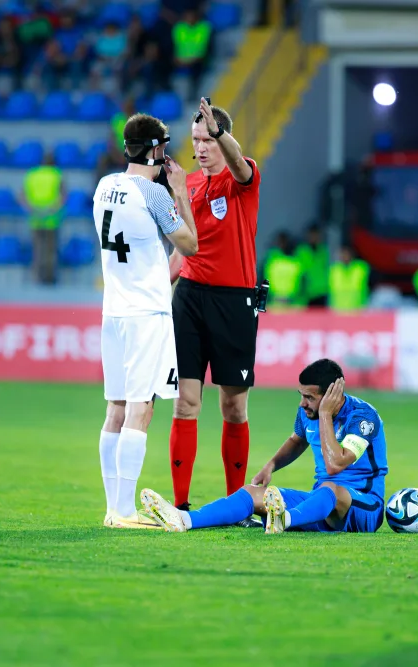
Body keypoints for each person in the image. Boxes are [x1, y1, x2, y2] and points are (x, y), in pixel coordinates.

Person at [140, 359, 387, 534]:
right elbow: (296, 440)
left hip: (364, 508)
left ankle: (284, 519)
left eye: (309, 397)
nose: (302, 404)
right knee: (251, 493)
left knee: (331, 488)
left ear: (333, 394)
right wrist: (271, 466)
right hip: (319, 506)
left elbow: (335, 465)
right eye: (301, 395)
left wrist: (325, 415)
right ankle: (183, 519)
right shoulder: (308, 413)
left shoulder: (362, 417)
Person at [94, 113, 198, 528]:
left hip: (114, 310)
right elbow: (189, 244)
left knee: (114, 409)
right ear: (157, 149)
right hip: (146, 314)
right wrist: (181, 193)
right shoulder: (153, 195)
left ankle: (111, 506)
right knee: (141, 409)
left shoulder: (105, 187)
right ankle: (124, 511)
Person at [167, 98, 262, 522]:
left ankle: (235, 504)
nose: (201, 148)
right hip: (189, 296)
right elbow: (181, 250)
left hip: (234, 301)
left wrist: (224, 138)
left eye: (207, 139)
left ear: (222, 140)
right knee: (186, 403)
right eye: (196, 140)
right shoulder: (186, 184)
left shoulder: (243, 179)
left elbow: (239, 163)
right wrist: (156, 291)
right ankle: (180, 504)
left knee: (233, 408)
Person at [22, 152, 66, 285]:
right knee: (51, 250)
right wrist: (52, 209)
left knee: (38, 249)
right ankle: (49, 277)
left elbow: (23, 196)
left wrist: (32, 209)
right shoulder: (57, 174)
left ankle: (38, 277)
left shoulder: (31, 174)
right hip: (52, 219)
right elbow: (62, 196)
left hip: (35, 218)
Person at [262, 231, 304, 308]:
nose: (282, 244)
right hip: (275, 301)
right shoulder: (271, 259)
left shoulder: (296, 261)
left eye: (284, 242)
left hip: (292, 302)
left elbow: (303, 283)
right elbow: (263, 280)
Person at [329, 244, 371, 311]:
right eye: (343, 254)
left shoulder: (361, 267)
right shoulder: (334, 270)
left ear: (352, 255)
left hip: (358, 310)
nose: (344, 256)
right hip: (338, 311)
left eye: (347, 254)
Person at [295, 224, 329, 307]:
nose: (314, 237)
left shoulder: (324, 250)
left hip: (322, 291)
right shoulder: (301, 251)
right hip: (307, 293)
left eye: (316, 235)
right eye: (312, 235)